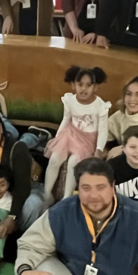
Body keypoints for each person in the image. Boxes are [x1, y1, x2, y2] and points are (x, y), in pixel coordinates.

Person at [44, 65, 109, 201]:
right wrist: (57, 139)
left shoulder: (100, 106)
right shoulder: (70, 100)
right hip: (71, 134)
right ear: (73, 85)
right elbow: (66, 119)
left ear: (95, 87)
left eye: (88, 85)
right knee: (55, 158)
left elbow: (103, 130)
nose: (84, 89)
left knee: (74, 161)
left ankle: (66, 198)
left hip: (87, 140)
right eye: (80, 84)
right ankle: (46, 193)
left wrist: (99, 149)